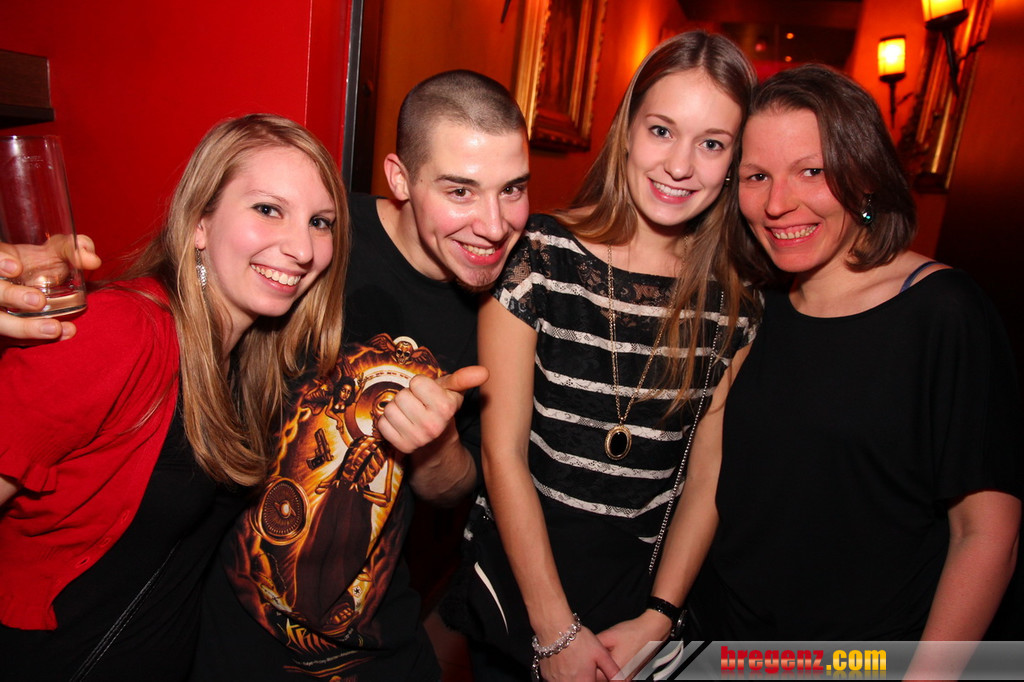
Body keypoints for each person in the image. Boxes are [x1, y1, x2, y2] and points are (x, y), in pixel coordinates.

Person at [612, 63, 1022, 677]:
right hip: (722, 649)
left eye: (812, 171)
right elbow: (717, 478)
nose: (779, 204)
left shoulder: (943, 312)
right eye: (757, 176)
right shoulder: (754, 306)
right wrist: (662, 615)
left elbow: (986, 535)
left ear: (865, 174)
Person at [190, 70, 530, 680]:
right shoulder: (314, 236)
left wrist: (435, 446)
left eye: (513, 190)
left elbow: (456, 489)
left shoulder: (508, 307)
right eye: (460, 191)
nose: (493, 224)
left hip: (374, 642)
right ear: (400, 179)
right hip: (222, 627)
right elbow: (194, 289)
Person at [444, 31, 760, 681]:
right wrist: (554, 630)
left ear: (735, 160)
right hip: (522, 588)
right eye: (662, 131)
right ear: (627, 131)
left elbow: (707, 480)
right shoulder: (537, 257)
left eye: (712, 144)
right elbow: (501, 454)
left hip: (635, 602)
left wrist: (658, 618)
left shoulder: (735, 304)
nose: (680, 166)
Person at [0, 113, 349, 681]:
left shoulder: (248, 361)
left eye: (320, 222)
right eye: (268, 209)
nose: (302, 248)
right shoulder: (125, 331)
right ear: (199, 224)